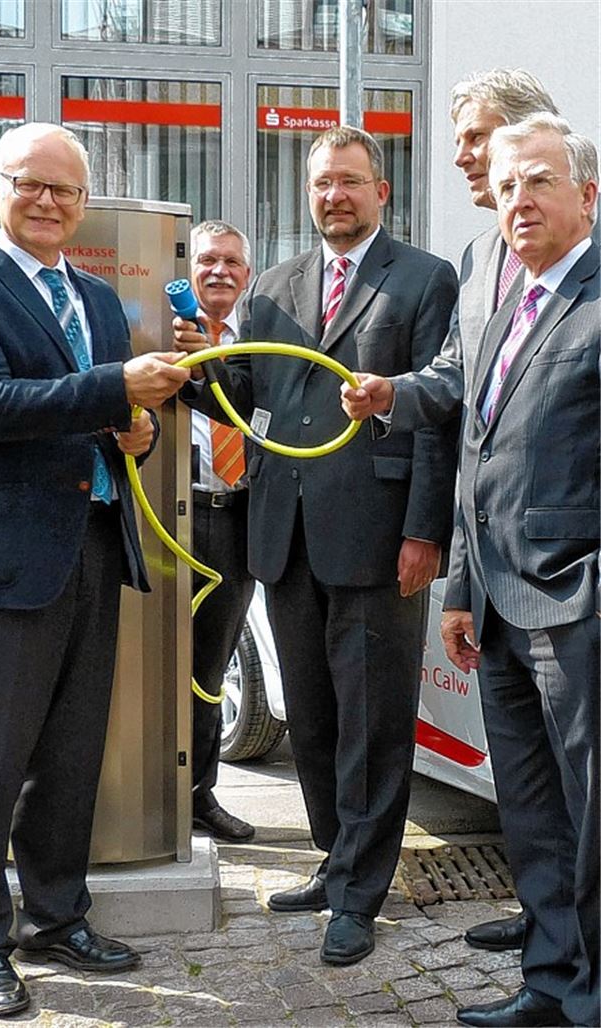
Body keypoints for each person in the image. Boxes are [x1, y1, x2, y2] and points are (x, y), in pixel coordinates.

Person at [0, 122, 190, 1017]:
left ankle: (57, 914)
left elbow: (99, 429)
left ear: (81, 203)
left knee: (71, 754)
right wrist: (118, 394)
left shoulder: (99, 299)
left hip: (92, 546)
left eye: (64, 191)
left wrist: (134, 437)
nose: (47, 202)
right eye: (30, 185)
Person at [176, 125, 458, 966]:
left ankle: (363, 896)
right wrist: (198, 370)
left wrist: (423, 530)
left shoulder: (422, 280)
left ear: (381, 192)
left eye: (349, 181)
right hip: (283, 540)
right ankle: (335, 864)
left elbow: (440, 416)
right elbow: (250, 398)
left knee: (374, 723)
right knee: (317, 716)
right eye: (321, 183)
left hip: (377, 542)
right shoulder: (275, 286)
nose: (333, 195)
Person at [338, 69, 562, 956]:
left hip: (570, 580)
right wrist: (393, 392)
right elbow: (465, 404)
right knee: (527, 778)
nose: (463, 156)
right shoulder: (479, 258)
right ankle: (553, 924)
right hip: (497, 572)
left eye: (474, 136)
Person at [443, 115, 599, 1028]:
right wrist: (462, 587)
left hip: (578, 603)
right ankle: (552, 982)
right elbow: (479, 451)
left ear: (588, 193)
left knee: (590, 819)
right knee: (534, 817)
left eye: (538, 181)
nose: (520, 201)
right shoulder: (510, 302)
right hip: (499, 609)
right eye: (506, 189)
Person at [180, 220, 257, 844]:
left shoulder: (258, 344)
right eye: (208, 260)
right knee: (156, 663)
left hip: (235, 520)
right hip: (170, 518)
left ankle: (200, 794)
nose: (219, 272)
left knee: (212, 664)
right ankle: (149, 795)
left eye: (232, 262)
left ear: (247, 275)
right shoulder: (162, 334)